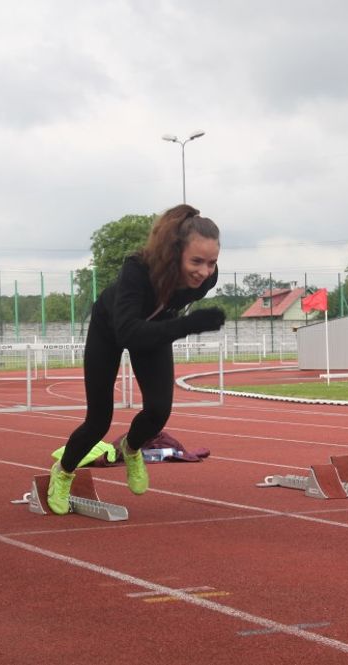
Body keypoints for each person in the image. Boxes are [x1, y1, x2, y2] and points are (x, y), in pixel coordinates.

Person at [47, 204, 225, 514]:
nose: (204, 272)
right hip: (112, 328)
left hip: (153, 327)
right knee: (98, 420)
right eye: (196, 261)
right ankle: (63, 472)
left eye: (212, 263)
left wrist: (176, 323)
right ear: (174, 252)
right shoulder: (137, 269)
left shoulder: (207, 280)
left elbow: (157, 322)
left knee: (158, 411)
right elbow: (129, 333)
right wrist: (189, 325)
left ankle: (131, 449)